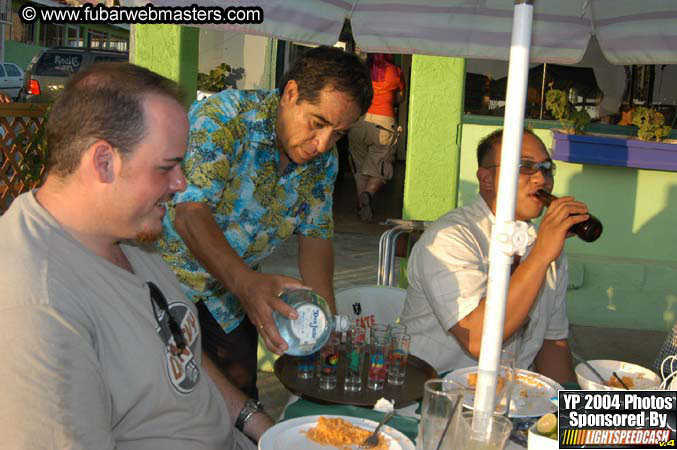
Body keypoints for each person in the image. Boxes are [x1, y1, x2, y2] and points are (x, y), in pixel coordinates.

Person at [0, 62, 273, 449]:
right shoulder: (36, 307)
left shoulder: (127, 234)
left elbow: (176, 350)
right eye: (167, 167)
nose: (181, 184)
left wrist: (258, 424)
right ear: (103, 163)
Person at [157, 46, 373, 398]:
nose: (323, 144)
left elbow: (316, 238)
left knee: (239, 396)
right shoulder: (225, 118)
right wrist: (247, 284)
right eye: (317, 123)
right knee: (167, 397)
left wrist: (325, 324)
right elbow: (190, 213)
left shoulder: (324, 161)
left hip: (227, 296)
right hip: (164, 283)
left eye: (338, 133)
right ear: (291, 93)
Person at [401, 129, 584, 384]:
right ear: (487, 178)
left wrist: (570, 416)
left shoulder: (545, 247)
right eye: (526, 166)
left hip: (509, 396)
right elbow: (477, 339)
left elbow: (553, 342)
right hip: (431, 395)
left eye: (547, 167)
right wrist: (540, 256)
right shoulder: (450, 237)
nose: (541, 178)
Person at [347, 53, 405, 221]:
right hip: (384, 123)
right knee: (381, 166)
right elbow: (400, 99)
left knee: (359, 167)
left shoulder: (361, 71)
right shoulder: (395, 72)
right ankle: (368, 194)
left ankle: (361, 206)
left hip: (359, 121)